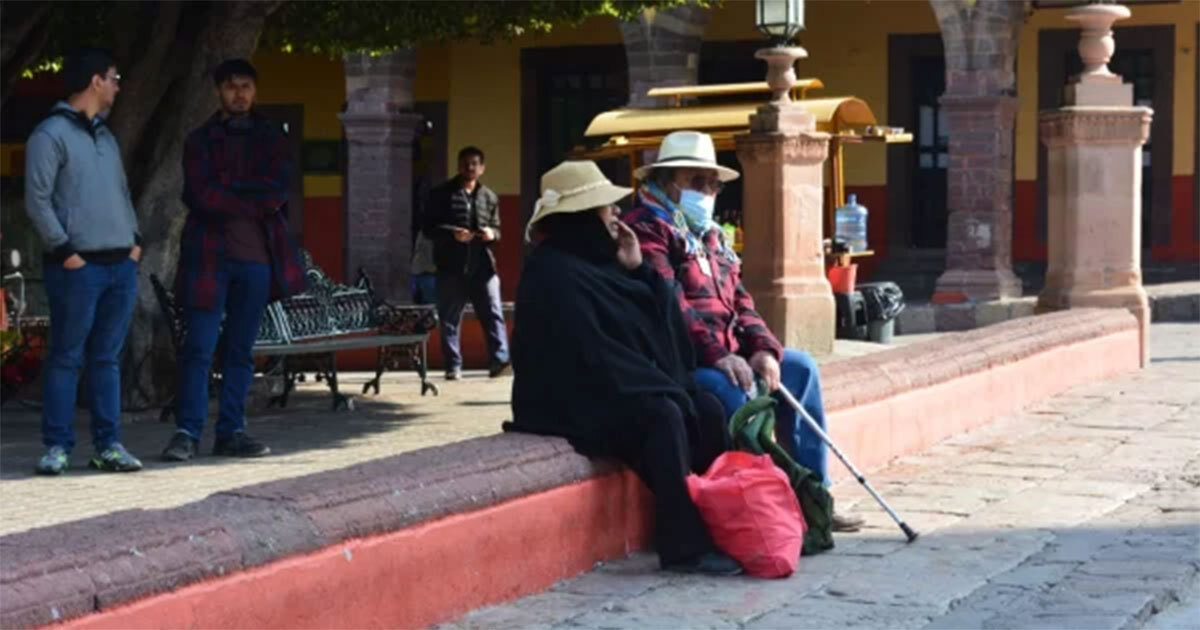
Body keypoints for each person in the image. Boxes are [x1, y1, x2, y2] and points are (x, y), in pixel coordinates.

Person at [623, 130, 864, 532]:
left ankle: (814, 498)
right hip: (681, 359)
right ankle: (762, 511)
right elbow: (672, 304)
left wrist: (762, 348)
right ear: (667, 182)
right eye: (695, 181)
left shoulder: (711, 234)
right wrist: (720, 355)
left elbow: (741, 300)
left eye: (712, 183)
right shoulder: (648, 228)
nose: (708, 191)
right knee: (735, 395)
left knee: (800, 369)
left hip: (730, 353)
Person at [507, 160, 740, 575]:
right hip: (566, 397)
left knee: (704, 407)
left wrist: (640, 270)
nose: (616, 214)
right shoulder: (552, 272)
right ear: (581, 218)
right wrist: (661, 389)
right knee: (664, 414)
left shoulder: (605, 263)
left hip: (613, 385)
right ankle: (683, 546)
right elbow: (589, 353)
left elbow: (658, 325)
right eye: (605, 208)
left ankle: (718, 523)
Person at [161, 59, 308, 462]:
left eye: (245, 86)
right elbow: (198, 195)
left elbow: (276, 192)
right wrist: (248, 197)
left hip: (257, 260)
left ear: (255, 90)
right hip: (208, 258)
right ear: (218, 91)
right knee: (198, 348)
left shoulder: (272, 139)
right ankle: (186, 432)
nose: (238, 93)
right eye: (230, 86)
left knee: (241, 351)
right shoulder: (199, 140)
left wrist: (229, 191)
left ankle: (231, 431)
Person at [24, 47, 144, 475]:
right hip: (77, 267)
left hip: (119, 266)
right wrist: (65, 251)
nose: (117, 85)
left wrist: (134, 242)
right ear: (95, 80)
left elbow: (122, 192)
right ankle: (57, 447)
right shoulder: (49, 135)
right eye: (113, 77)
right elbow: (37, 201)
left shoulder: (106, 137)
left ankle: (108, 445)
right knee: (67, 357)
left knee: (107, 359)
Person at [422, 146, 510, 380]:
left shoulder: (489, 197)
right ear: (458, 165)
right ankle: (453, 365)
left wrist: (492, 234)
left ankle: (500, 361)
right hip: (451, 265)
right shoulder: (441, 194)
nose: (469, 168)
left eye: (474, 164)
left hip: (483, 266)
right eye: (465, 163)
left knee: (493, 313)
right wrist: (453, 234)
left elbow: (498, 228)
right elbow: (428, 228)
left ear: (482, 168)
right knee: (450, 318)